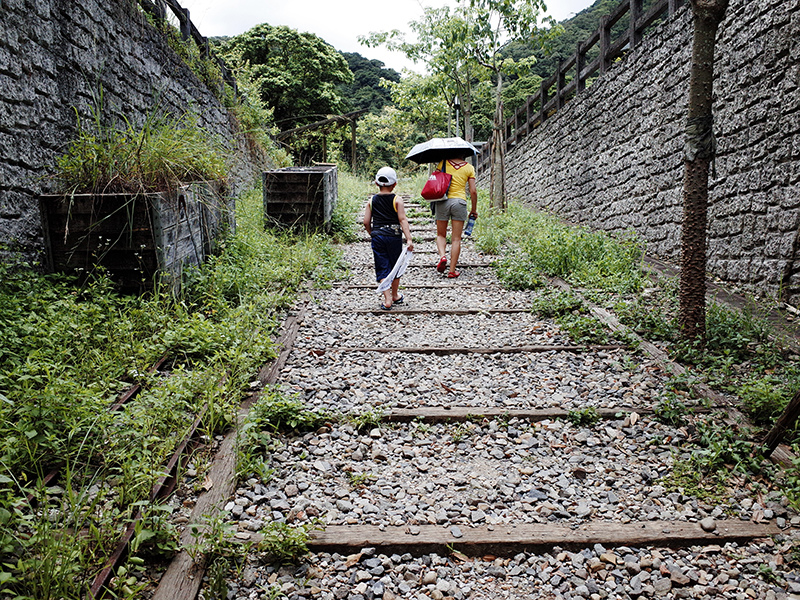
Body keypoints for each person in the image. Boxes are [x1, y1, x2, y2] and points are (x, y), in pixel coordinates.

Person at [363, 166, 414, 310]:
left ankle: (387, 299)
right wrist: (408, 239)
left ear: (376, 183)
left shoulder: (371, 201)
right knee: (395, 265)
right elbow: (403, 219)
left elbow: (366, 222)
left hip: (378, 236)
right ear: (395, 184)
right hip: (394, 237)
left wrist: (372, 233)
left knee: (382, 266)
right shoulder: (397, 200)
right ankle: (395, 295)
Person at [433, 153, 478, 278]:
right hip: (459, 202)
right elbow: (473, 191)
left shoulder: (443, 163)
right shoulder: (469, 167)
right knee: (456, 239)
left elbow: (436, 180)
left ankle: (442, 256)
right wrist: (473, 209)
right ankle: (452, 271)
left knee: (441, 234)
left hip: (443, 201)